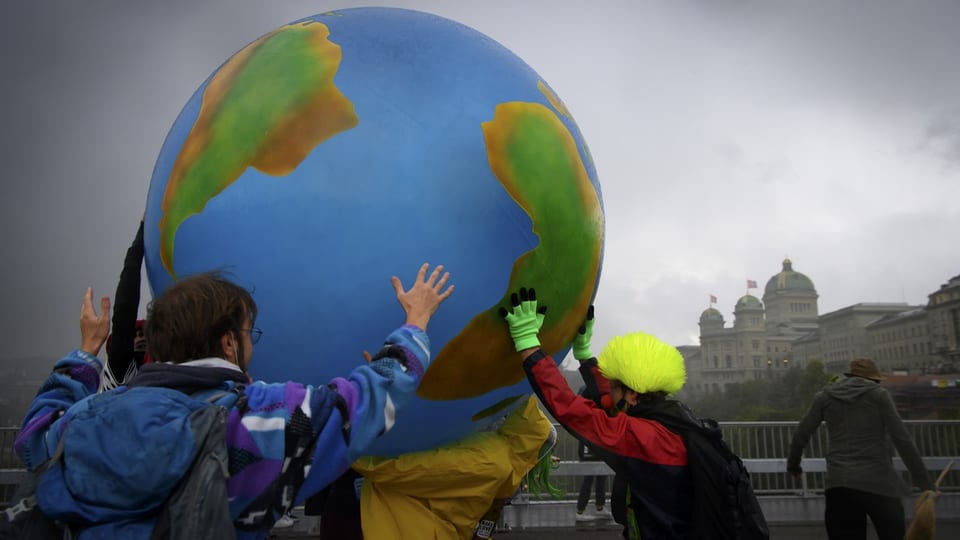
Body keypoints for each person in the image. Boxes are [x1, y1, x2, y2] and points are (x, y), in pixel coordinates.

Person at [14, 263, 454, 539]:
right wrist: (416, 322)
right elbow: (365, 401)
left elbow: (34, 436)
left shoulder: (85, 418)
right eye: (248, 333)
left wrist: (85, 352)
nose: (251, 345)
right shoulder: (248, 424)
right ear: (228, 343)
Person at [499, 289, 694, 539]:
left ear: (633, 396)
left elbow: (573, 410)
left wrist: (528, 344)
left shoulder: (645, 438)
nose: (608, 393)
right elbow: (608, 402)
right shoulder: (669, 419)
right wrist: (584, 354)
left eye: (614, 387)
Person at [315, 395, 554, 539]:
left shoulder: (490, 459)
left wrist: (355, 452)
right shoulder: (502, 462)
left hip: (392, 528)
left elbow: (413, 470)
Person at [787, 357, 936, 540]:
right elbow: (902, 439)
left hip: (839, 485)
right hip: (879, 483)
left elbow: (801, 433)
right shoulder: (879, 395)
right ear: (873, 379)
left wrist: (793, 466)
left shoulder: (825, 397)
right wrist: (925, 483)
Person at [101, 219, 148, 390]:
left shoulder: (166, 377)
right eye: (136, 333)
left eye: (145, 334)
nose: (141, 338)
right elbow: (125, 308)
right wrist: (142, 237)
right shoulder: (121, 371)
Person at [574, 408, 610, 522]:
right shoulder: (589, 415)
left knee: (601, 478)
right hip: (591, 449)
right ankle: (580, 511)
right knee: (588, 480)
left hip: (597, 449)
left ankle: (599, 507)